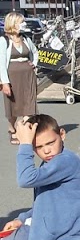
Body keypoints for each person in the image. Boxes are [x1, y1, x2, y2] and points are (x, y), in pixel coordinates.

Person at [2, 12, 39, 145]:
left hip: (28, 76)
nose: (23, 24)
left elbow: (35, 52)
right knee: (13, 105)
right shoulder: (4, 41)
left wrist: (34, 63)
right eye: (21, 22)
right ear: (13, 24)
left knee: (29, 104)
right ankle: (12, 128)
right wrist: (5, 82)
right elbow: (1, 63)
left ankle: (23, 129)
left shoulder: (26, 38)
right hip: (12, 77)